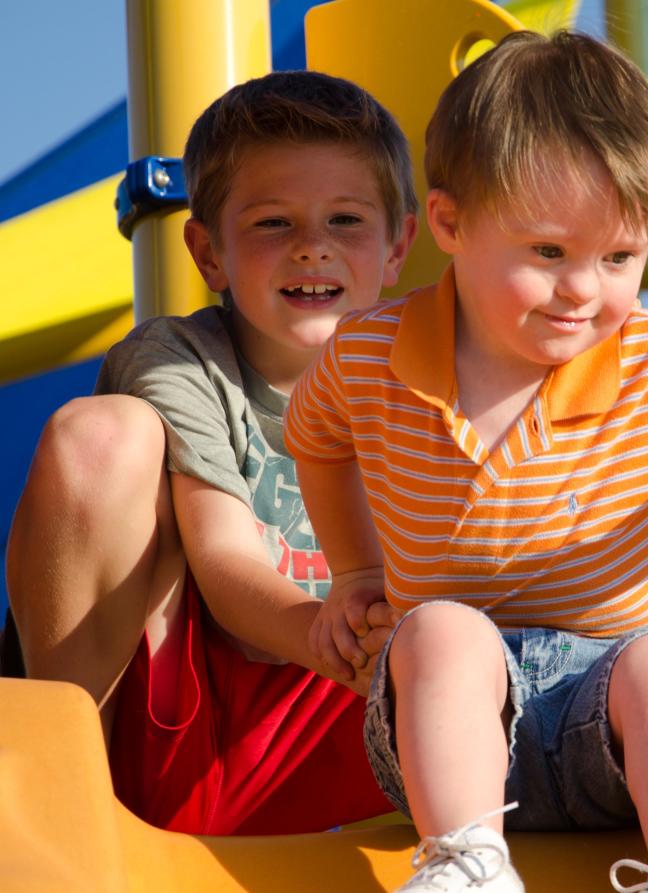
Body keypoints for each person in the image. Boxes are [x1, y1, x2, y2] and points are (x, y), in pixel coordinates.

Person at [285, 30, 648, 893]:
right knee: (440, 629)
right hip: (452, 738)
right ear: (449, 223)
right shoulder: (373, 354)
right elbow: (316, 437)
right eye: (549, 252)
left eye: (620, 257)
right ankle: (466, 863)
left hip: (615, 718)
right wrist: (359, 565)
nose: (585, 288)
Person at [5, 70, 417, 835]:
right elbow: (227, 566)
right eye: (272, 224)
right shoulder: (182, 360)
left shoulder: (430, 377)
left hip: (351, 731)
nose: (312, 248)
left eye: (346, 219)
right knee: (99, 436)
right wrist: (334, 639)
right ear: (209, 252)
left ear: (399, 245)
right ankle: (59, 777)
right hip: (184, 723)